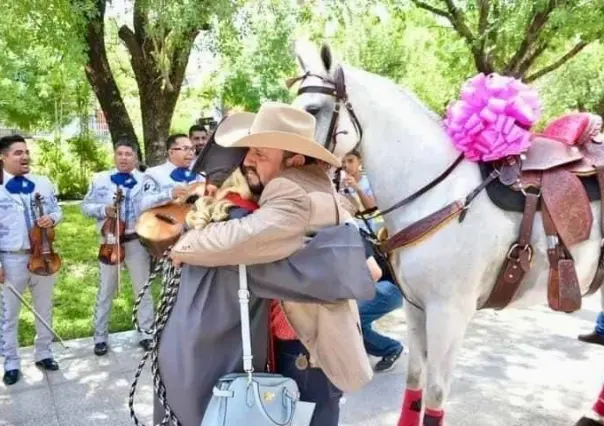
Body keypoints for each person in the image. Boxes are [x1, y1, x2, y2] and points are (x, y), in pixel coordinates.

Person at [147, 124, 376, 426]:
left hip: (304, 351)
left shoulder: (291, 191)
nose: (247, 161)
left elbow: (241, 239)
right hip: (292, 349)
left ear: (294, 160)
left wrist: (182, 245)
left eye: (259, 153)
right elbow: (370, 268)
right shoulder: (311, 188)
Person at [0, 134, 63, 386]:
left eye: (26, 152)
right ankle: (11, 362)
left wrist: (53, 219)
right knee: (9, 314)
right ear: (3, 158)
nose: (25, 156)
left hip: (45, 254)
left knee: (44, 307)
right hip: (11, 257)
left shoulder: (42, 182)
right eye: (18, 153)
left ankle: (44, 353)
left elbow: (57, 210)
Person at [81, 140, 154, 355]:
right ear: (114, 156)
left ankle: (146, 332)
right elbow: (85, 207)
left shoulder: (146, 181)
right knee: (106, 290)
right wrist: (104, 209)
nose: (123, 158)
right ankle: (100, 336)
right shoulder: (100, 179)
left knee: (143, 288)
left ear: (135, 157)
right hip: (110, 241)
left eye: (128, 154)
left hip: (135, 240)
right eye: (119, 153)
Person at [358, 227, 406, 372]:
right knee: (357, 316)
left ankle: (390, 348)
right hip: (388, 284)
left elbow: (375, 273)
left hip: (391, 287)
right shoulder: (352, 231)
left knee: (353, 318)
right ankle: (365, 348)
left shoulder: (352, 235)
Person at [139, 133, 205, 214]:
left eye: (192, 149)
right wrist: (170, 194)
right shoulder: (154, 173)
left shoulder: (199, 173)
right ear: (171, 153)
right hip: (168, 223)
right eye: (185, 148)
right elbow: (144, 203)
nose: (191, 153)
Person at [339, 149, 383, 233]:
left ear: (359, 161)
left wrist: (357, 188)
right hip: (351, 231)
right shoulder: (341, 185)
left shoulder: (368, 181)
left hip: (371, 230)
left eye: (350, 161)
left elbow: (372, 208)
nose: (346, 166)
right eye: (343, 162)